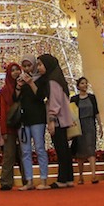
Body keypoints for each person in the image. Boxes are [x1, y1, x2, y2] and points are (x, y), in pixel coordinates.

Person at [36, 53, 74, 188]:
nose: (39, 68)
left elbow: (55, 102)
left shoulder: (52, 81)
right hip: (63, 118)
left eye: (40, 64)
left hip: (58, 120)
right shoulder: (58, 78)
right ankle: (68, 178)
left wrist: (51, 120)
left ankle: (62, 179)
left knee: (61, 149)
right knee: (64, 149)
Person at [17, 59, 49, 190]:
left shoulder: (41, 79)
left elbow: (41, 96)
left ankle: (44, 180)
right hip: (24, 119)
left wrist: (30, 83)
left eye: (29, 65)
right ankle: (29, 181)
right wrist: (19, 86)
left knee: (40, 148)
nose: (26, 68)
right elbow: (15, 99)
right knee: (25, 151)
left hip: (38, 118)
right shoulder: (21, 80)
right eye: (24, 66)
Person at [0, 62, 23, 191]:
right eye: (12, 70)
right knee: (9, 155)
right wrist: (4, 130)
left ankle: (27, 180)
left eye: (17, 69)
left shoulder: (25, 86)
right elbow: (2, 111)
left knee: (24, 154)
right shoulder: (4, 90)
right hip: (10, 125)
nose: (15, 72)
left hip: (23, 125)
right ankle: (6, 182)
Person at [71, 76, 100, 184]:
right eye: (82, 83)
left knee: (91, 148)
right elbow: (72, 113)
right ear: (78, 86)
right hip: (79, 125)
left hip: (90, 125)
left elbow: (96, 112)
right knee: (80, 151)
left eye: (86, 83)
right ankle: (80, 175)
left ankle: (93, 174)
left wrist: (100, 125)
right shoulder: (74, 99)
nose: (85, 85)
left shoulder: (92, 97)